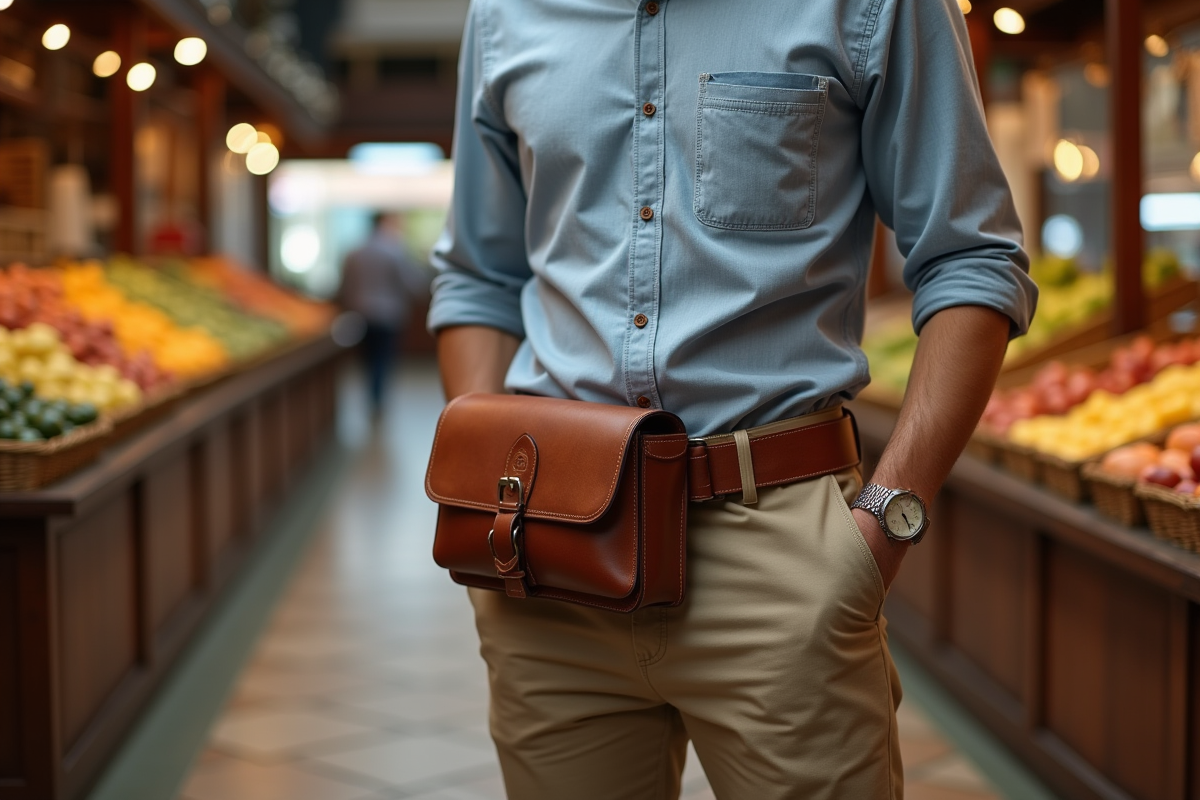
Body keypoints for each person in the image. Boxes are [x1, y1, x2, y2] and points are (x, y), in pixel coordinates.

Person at [428, 0, 1037, 797]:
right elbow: (479, 276)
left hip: (778, 553)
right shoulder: (505, 13)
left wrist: (882, 524)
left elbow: (971, 260)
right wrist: (489, 478)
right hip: (550, 562)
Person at [337, 211, 428, 417]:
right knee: (382, 358)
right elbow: (411, 283)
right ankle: (378, 400)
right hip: (388, 314)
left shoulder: (355, 252)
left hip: (360, 312)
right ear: (384, 223)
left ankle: (370, 397)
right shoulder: (394, 251)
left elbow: (344, 285)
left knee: (366, 358)